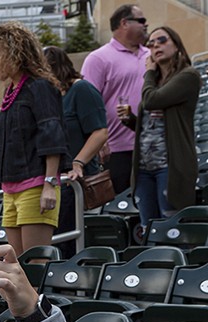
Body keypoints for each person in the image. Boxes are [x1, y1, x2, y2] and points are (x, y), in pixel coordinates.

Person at [0, 21, 68, 256]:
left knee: (34, 263)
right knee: (16, 264)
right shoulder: (11, 90)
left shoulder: (40, 87)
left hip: (35, 186)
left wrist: (49, 185)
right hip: (11, 188)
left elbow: (52, 134)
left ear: (14, 54)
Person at [119, 25, 200, 238]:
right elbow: (150, 123)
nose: (155, 46)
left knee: (171, 232)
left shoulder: (188, 76)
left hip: (170, 167)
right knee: (148, 231)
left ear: (177, 45)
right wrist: (131, 120)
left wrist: (148, 73)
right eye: (151, 44)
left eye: (162, 40)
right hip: (144, 168)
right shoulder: (155, 82)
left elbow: (152, 101)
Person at [43, 45, 109, 255]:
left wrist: (78, 162)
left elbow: (100, 132)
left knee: (67, 240)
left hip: (75, 179)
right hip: (55, 179)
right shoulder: (49, 96)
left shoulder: (81, 90)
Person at [81, 4, 149, 194]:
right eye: (141, 20)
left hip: (150, 146)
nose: (146, 24)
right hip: (116, 151)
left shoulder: (151, 55)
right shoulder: (98, 58)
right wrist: (98, 141)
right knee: (120, 205)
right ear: (124, 23)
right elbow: (86, 105)